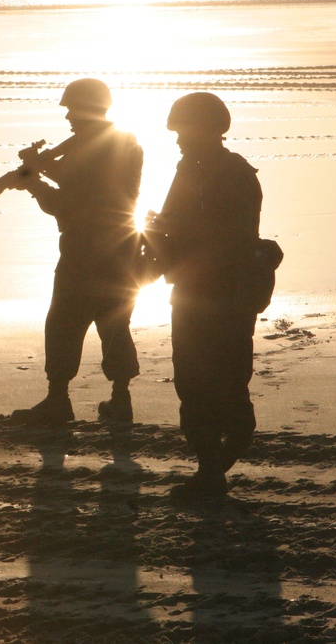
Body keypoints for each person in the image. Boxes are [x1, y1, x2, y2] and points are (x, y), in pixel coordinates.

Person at [147, 92, 263, 499]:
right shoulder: (189, 170)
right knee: (193, 383)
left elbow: (228, 238)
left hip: (225, 295)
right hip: (193, 291)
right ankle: (210, 467)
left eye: (184, 131)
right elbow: (172, 225)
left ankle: (219, 460)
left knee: (223, 380)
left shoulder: (234, 175)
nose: (178, 140)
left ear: (209, 131)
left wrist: (173, 232)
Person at [11, 78, 144, 425]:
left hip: (85, 251)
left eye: (72, 109)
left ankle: (58, 401)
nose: (68, 116)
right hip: (120, 249)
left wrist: (33, 183)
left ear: (87, 109)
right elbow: (84, 181)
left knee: (63, 324)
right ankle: (120, 400)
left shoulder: (88, 148)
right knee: (115, 324)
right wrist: (42, 167)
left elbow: (66, 203)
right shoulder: (122, 142)